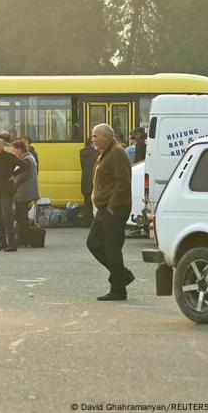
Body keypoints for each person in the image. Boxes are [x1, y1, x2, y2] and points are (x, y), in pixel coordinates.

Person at [87, 123, 135, 301]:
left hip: (114, 208)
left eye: (95, 136)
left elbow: (123, 182)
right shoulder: (106, 152)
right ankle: (122, 275)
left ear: (106, 137)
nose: (92, 139)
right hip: (105, 207)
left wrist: (111, 206)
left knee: (112, 247)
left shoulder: (116, 152)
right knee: (93, 243)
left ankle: (118, 288)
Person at [0, 138, 28, 252]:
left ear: (3, 146)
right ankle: (2, 243)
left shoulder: (10, 157)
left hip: (6, 189)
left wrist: (14, 174)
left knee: (6, 216)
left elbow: (24, 165)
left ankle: (12, 244)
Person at [12, 140, 40, 248]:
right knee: (22, 216)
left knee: (21, 217)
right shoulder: (28, 157)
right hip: (26, 192)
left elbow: (22, 176)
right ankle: (23, 239)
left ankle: (24, 240)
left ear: (19, 150)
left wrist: (13, 185)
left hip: (24, 192)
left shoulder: (26, 159)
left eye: (14, 151)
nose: (14, 153)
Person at [79, 138, 97, 226]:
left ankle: (87, 221)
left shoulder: (82, 153)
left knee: (87, 202)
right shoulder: (97, 154)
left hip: (86, 182)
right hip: (94, 181)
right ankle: (94, 221)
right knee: (96, 202)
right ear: (92, 143)